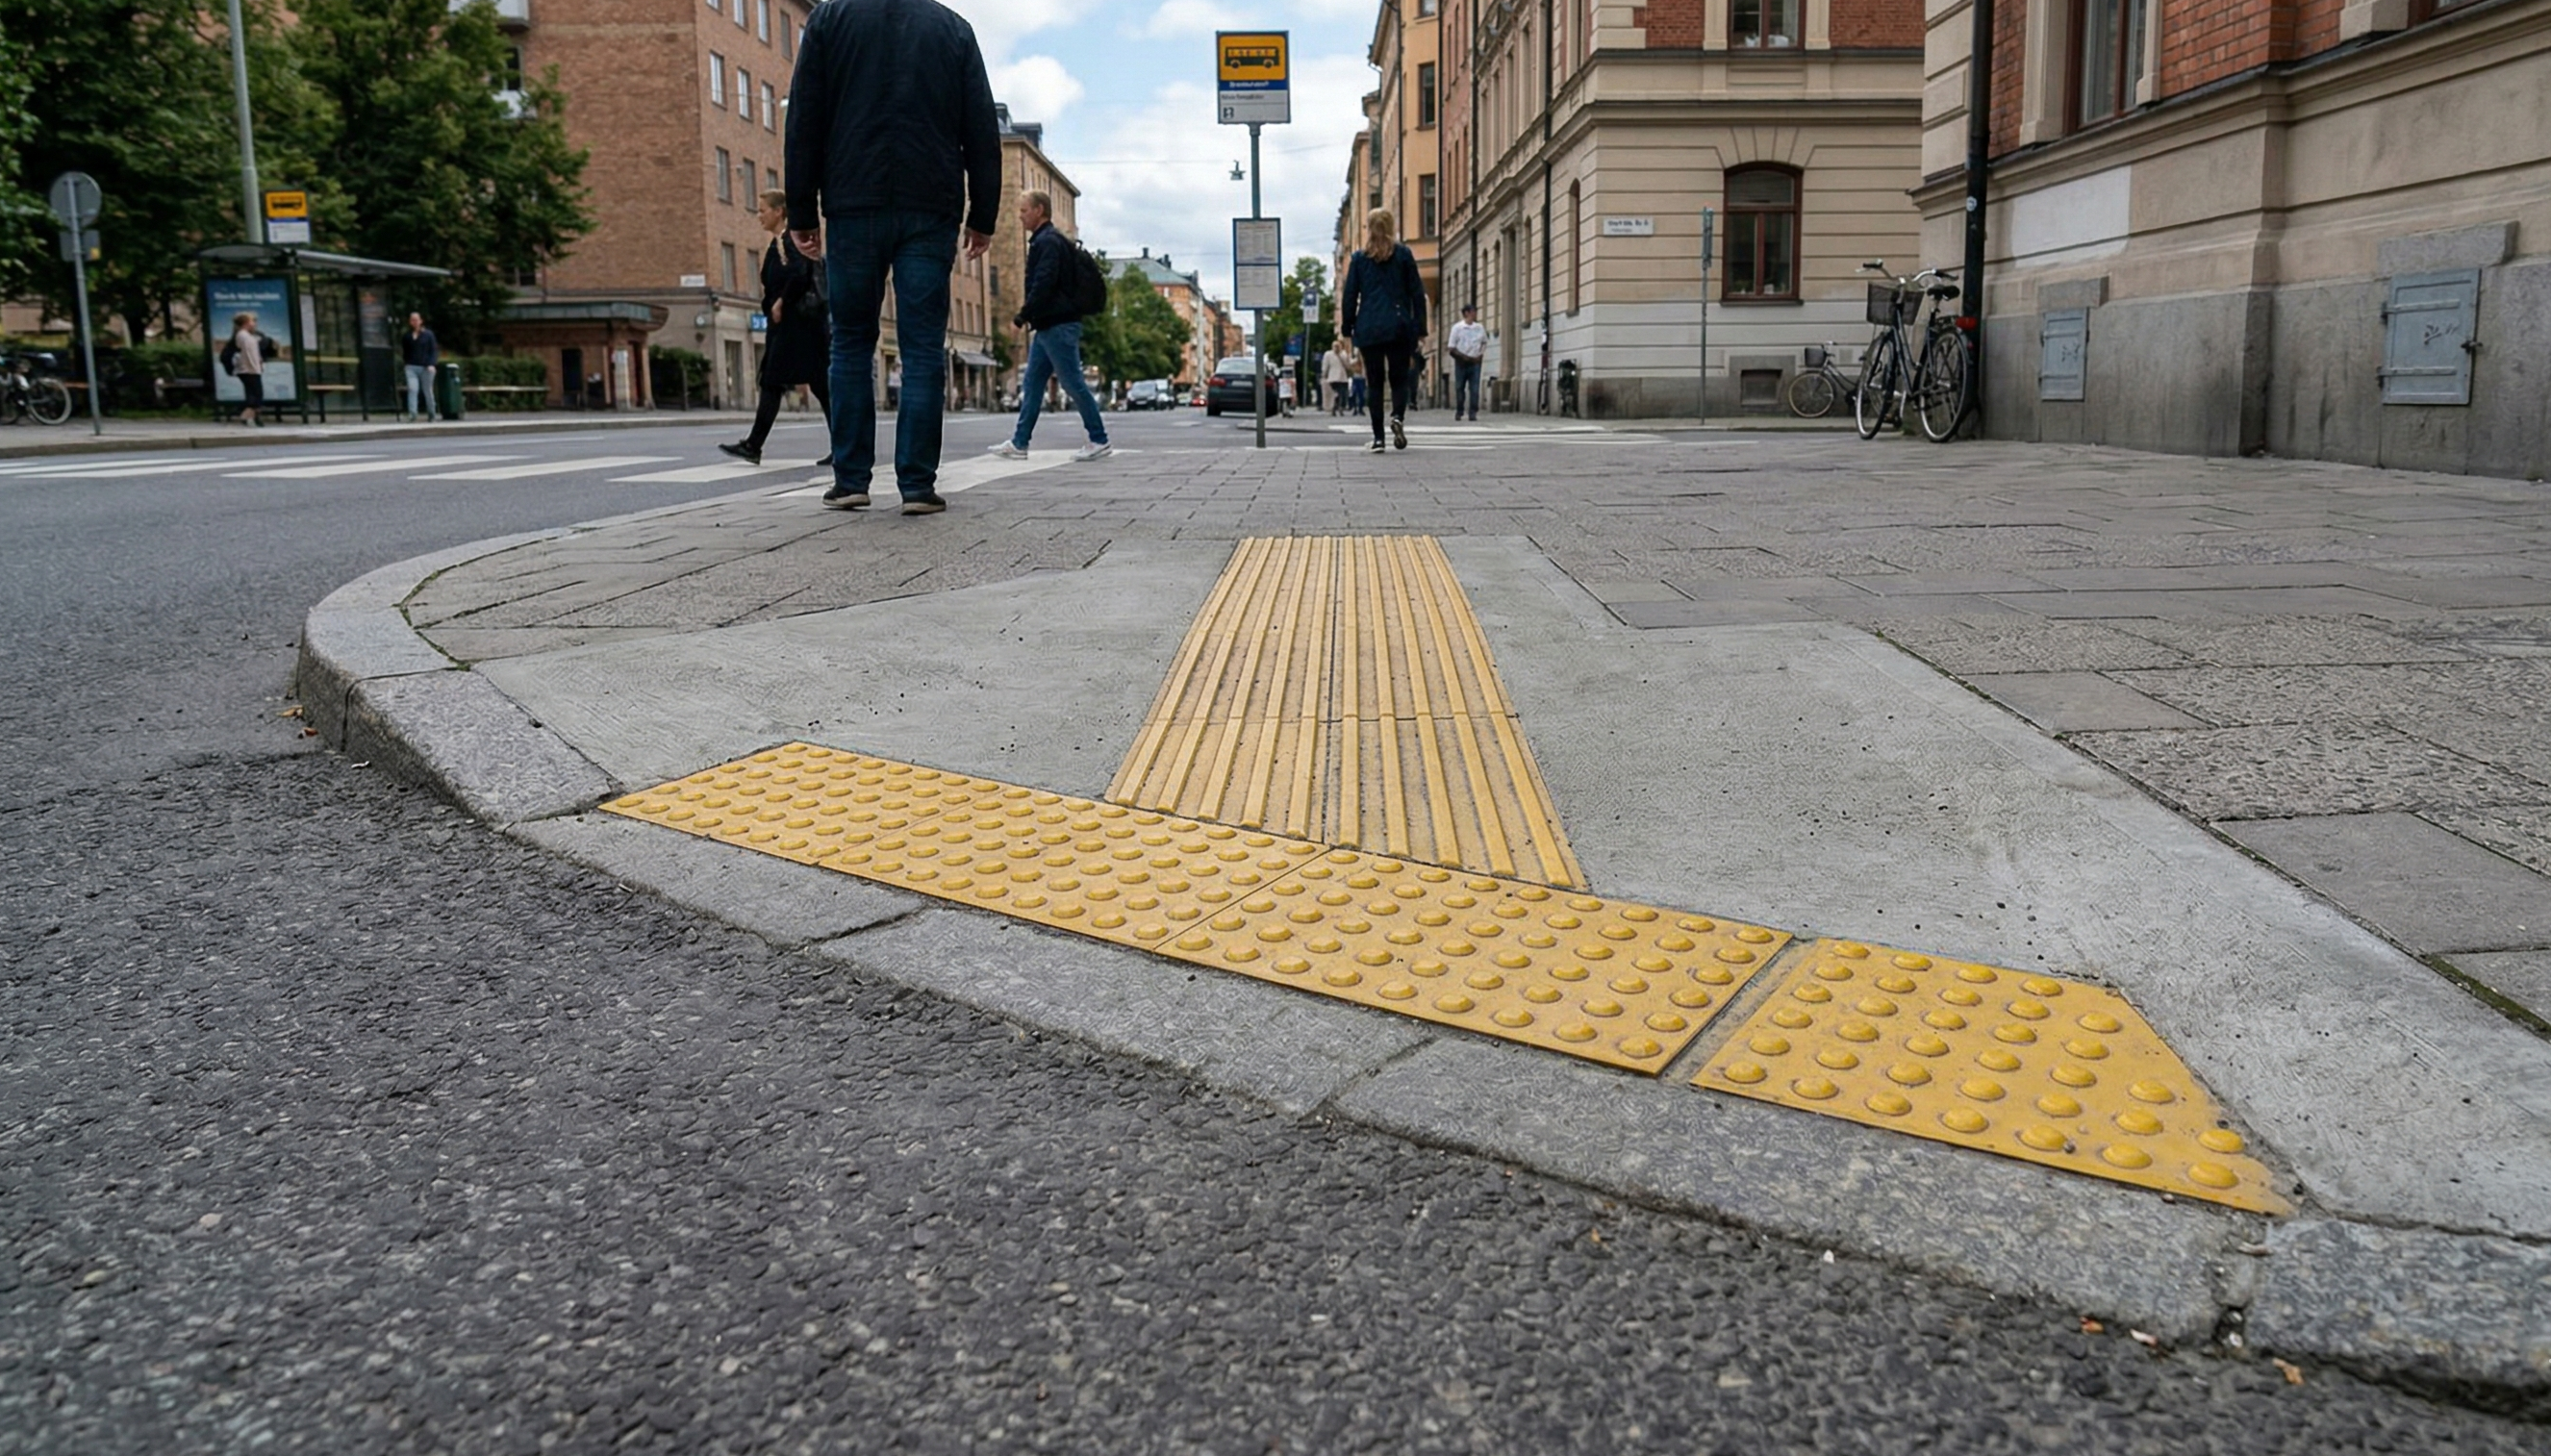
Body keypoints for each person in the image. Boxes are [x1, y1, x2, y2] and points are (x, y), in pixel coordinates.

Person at [786, 0, 1001, 515]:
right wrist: (984, 214)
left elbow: (805, 120)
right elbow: (980, 130)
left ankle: (851, 479)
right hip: (930, 206)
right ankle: (918, 485)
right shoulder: (953, 30)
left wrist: (801, 209)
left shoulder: (829, 20)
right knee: (923, 347)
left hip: (852, 200)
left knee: (852, 342)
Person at [988, 189, 1112, 463]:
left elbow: (1044, 283)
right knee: (1032, 384)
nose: (1020, 216)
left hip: (1058, 325)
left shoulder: (1048, 243)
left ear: (1039, 211)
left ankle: (1099, 438)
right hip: (1048, 327)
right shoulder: (1047, 241)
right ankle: (1019, 443)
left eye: (1024, 211)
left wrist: (1021, 317)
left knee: (1072, 383)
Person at [721, 189, 834, 465]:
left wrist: (780, 302)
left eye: (762, 210)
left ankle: (753, 445)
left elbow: (800, 273)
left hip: (796, 327)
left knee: (776, 382)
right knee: (816, 385)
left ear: (779, 211)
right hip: (797, 327)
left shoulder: (790, 240)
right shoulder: (782, 242)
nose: (759, 215)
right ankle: (844, 445)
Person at [1340, 208, 1427, 454]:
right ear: (1391, 226)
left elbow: (1350, 296)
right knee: (1399, 380)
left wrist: (1348, 327)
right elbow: (1416, 293)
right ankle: (1397, 417)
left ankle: (1378, 438)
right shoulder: (1403, 255)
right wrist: (1420, 327)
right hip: (1399, 326)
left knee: (1374, 383)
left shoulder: (1359, 259)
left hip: (1369, 327)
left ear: (1368, 228)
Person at [223, 312, 266, 427]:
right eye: (252, 321)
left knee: (254, 394)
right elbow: (248, 354)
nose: (254, 323)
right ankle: (244, 415)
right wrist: (254, 367)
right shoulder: (243, 335)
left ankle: (251, 417)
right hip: (249, 369)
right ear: (246, 323)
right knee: (257, 395)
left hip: (250, 369)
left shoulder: (246, 335)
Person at [1446, 304, 1486, 421]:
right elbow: (1451, 348)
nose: (1475, 313)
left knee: (1474, 388)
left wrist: (1480, 354)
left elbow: (1484, 342)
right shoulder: (1457, 328)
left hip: (1475, 362)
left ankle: (1473, 412)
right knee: (1460, 388)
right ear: (1466, 313)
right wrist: (1463, 358)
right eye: (1473, 311)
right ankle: (1459, 411)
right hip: (1462, 363)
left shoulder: (1479, 328)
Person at [400, 313, 441, 422]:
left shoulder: (428, 335)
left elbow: (434, 351)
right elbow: (405, 351)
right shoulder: (407, 336)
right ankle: (413, 413)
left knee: (427, 390)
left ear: (421, 321)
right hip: (411, 366)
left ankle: (431, 413)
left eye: (416, 320)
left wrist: (432, 364)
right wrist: (406, 363)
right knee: (412, 389)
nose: (414, 322)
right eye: (412, 320)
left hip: (426, 367)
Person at [1322, 339, 1351, 414]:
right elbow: (1325, 365)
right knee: (1337, 393)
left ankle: (1338, 407)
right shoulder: (1328, 354)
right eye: (1335, 346)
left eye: (1338, 346)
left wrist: (1340, 355)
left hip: (1343, 378)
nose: (1336, 348)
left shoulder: (1344, 354)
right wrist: (1324, 375)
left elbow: (1347, 366)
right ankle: (1336, 408)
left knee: (1343, 394)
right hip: (1333, 378)